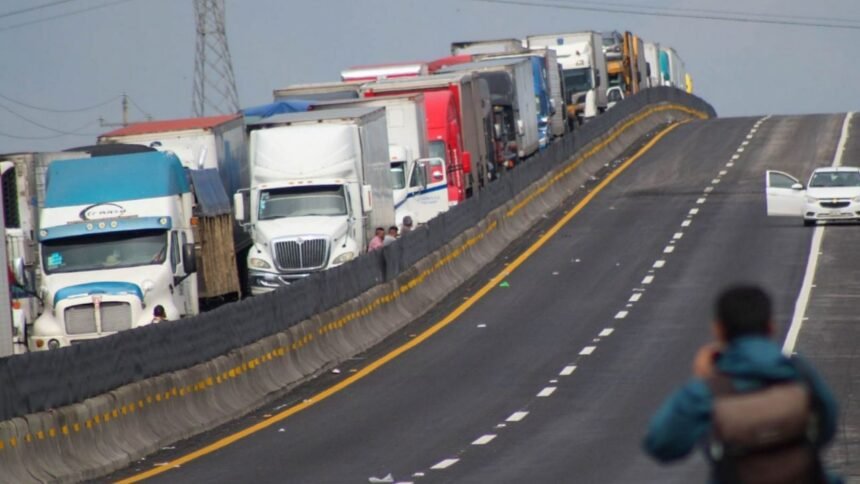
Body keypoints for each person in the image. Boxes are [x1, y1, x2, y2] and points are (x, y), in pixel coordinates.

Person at [643, 285, 841, 484]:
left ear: (718, 330)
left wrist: (702, 380)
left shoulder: (708, 391)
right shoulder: (800, 373)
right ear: (771, 327)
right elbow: (828, 425)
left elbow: (661, 444)